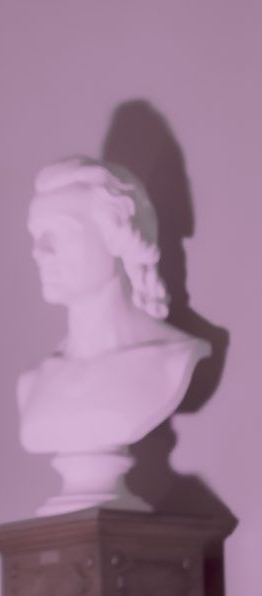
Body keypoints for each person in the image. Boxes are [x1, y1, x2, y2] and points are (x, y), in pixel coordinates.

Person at [18, 156, 210, 515]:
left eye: (60, 231)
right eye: (35, 235)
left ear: (118, 238)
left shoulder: (170, 362)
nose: (39, 251)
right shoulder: (33, 385)